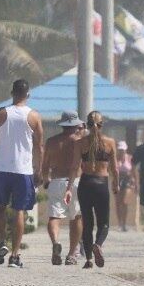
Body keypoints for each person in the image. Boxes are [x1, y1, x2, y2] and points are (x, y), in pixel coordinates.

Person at [0, 79, 44, 269]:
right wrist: (39, 169)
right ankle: (15, 255)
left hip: (1, 169)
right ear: (28, 95)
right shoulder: (34, 116)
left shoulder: (1, 113)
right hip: (23, 171)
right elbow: (39, 146)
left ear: (12, 93)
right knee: (19, 211)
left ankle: (2, 241)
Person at [67, 111, 118, 268]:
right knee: (104, 223)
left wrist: (69, 187)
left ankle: (89, 259)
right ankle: (98, 244)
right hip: (101, 184)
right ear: (102, 124)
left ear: (87, 125)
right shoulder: (110, 142)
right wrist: (116, 183)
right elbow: (114, 168)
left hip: (86, 184)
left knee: (87, 223)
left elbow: (74, 167)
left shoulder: (80, 143)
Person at [41, 111, 84, 265]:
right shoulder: (80, 141)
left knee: (54, 217)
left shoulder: (52, 142)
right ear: (76, 125)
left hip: (56, 181)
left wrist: (46, 179)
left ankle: (55, 242)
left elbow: (45, 165)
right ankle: (72, 254)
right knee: (76, 217)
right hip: (76, 181)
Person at [115, 140, 134, 232]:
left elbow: (133, 169)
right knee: (118, 202)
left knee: (125, 202)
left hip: (127, 180)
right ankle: (119, 223)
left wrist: (133, 179)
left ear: (125, 150)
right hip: (118, 180)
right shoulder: (115, 159)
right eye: (120, 150)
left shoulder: (129, 158)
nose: (121, 151)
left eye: (123, 150)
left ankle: (124, 224)